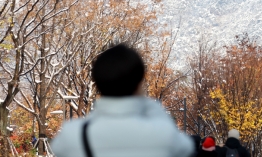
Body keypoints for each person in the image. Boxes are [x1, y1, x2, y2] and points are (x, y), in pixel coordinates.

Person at [51, 44, 194, 157]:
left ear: (97, 83)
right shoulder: (164, 135)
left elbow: (57, 148)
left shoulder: (74, 135)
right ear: (139, 83)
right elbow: (186, 148)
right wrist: (152, 105)